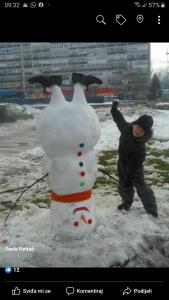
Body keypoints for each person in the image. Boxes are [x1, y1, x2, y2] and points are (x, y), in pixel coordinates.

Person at [110, 100, 158, 217]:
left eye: (141, 131)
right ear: (135, 124)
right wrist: (114, 108)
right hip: (122, 162)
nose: (137, 131)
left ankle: (151, 208)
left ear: (145, 133)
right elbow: (118, 119)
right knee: (124, 185)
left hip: (135, 167)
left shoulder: (140, 148)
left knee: (141, 187)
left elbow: (134, 166)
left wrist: (129, 176)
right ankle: (126, 202)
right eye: (137, 127)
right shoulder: (126, 128)